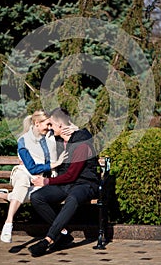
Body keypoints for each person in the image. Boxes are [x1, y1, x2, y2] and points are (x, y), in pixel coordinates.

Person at [0, 110, 69, 243]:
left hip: (39, 179)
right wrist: (54, 164)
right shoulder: (23, 141)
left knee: (29, 196)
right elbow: (31, 168)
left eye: (51, 125)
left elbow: (66, 130)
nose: (50, 128)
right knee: (22, 181)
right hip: (23, 172)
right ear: (37, 123)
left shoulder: (51, 135)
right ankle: (9, 222)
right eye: (47, 124)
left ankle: (1, 195)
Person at [27, 107, 99, 257]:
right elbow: (34, 138)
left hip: (84, 184)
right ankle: (64, 235)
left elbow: (72, 175)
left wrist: (46, 181)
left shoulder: (82, 144)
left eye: (51, 125)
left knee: (73, 198)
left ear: (60, 126)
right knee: (37, 197)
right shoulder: (58, 140)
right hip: (66, 184)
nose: (49, 128)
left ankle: (48, 239)